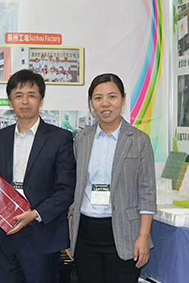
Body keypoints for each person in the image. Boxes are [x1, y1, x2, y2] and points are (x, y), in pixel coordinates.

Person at [0, 70, 76, 283]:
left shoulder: (60, 138)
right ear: (11, 101)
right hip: (6, 236)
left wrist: (35, 214)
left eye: (31, 95)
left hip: (42, 234)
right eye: (18, 96)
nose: (25, 101)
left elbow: (66, 190)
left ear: (41, 100)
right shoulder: (0, 138)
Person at [70, 73, 157, 283]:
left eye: (112, 96)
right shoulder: (82, 138)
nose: (105, 104)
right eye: (98, 98)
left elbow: (147, 192)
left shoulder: (139, 140)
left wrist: (144, 236)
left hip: (125, 233)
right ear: (91, 103)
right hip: (86, 232)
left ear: (123, 100)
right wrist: (71, 232)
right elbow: (77, 187)